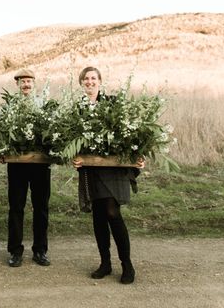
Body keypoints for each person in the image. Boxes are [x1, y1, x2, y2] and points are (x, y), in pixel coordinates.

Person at [72, 66, 144, 284]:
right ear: (81, 83)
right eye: (86, 79)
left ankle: (127, 264)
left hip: (113, 168)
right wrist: (73, 157)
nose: (90, 82)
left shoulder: (113, 103)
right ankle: (105, 263)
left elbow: (131, 131)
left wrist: (138, 155)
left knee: (113, 212)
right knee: (98, 217)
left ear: (100, 81)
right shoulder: (78, 109)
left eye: (93, 78)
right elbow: (72, 139)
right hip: (92, 169)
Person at [4, 68, 51, 268]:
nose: (26, 85)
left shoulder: (44, 105)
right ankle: (15, 251)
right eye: (22, 81)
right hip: (17, 165)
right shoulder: (10, 106)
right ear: (17, 85)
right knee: (16, 207)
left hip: (40, 164)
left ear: (34, 83)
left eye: (29, 81)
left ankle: (40, 250)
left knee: (41, 208)